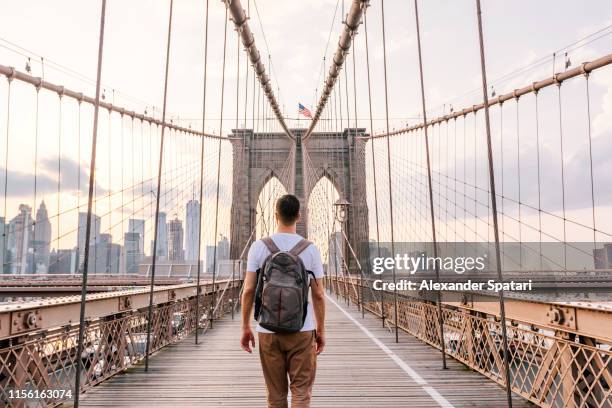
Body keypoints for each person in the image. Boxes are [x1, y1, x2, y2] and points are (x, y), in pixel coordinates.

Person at [240, 194, 326, 408]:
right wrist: (320, 330)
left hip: (268, 331)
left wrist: (245, 326)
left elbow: (249, 289)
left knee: (276, 397)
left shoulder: (259, 247)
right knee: (301, 393)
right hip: (302, 330)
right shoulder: (311, 249)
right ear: (299, 216)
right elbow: (318, 295)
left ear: (275, 215)